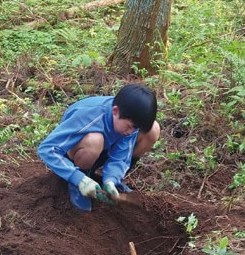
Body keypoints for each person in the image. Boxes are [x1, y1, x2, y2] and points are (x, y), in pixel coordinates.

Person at [37, 83, 160, 212]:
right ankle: (79, 183)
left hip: (103, 150)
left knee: (153, 130)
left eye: (134, 128)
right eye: (129, 126)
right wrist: (79, 179)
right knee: (95, 140)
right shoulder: (88, 114)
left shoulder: (128, 121)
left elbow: (120, 157)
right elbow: (47, 149)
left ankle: (109, 180)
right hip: (77, 153)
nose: (131, 132)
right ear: (115, 111)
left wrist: (111, 180)